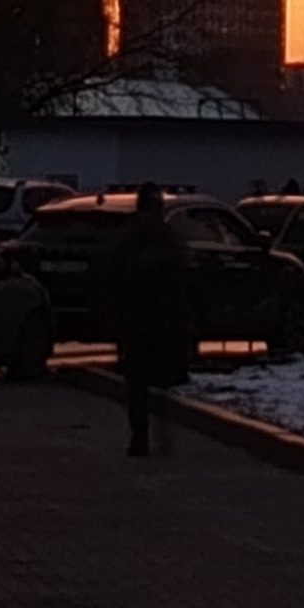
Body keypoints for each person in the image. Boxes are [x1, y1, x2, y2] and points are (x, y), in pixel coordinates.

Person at [106, 183, 195, 456]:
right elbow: (184, 281)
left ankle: (140, 437)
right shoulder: (168, 237)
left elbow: (111, 277)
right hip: (164, 321)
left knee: (137, 383)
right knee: (162, 378)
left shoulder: (127, 238)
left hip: (135, 320)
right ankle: (161, 432)